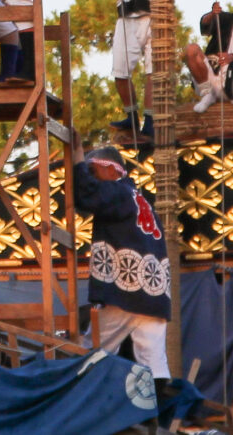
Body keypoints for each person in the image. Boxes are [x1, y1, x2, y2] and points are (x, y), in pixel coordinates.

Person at [71, 143, 172, 379]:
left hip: (126, 290)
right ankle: (157, 415)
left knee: (92, 353)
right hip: (153, 294)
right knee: (155, 364)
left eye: (93, 170)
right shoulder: (139, 200)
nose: (92, 177)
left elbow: (87, 194)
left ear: (111, 170)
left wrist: (77, 160)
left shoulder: (119, 192)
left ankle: (86, 407)